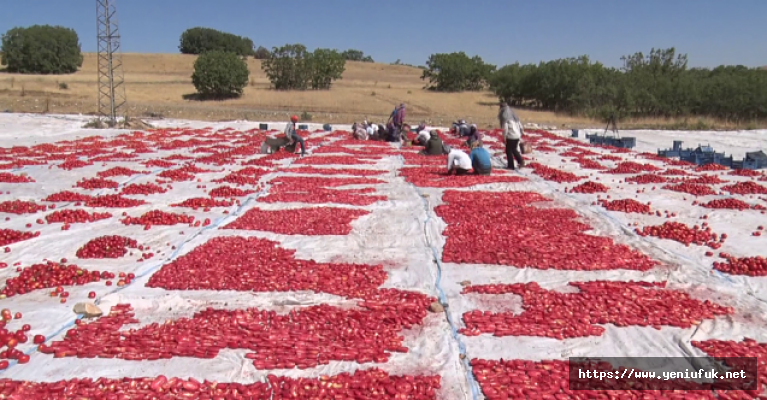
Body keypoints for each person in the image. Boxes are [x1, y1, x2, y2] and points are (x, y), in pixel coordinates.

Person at [498, 101, 525, 170]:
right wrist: (521, 133)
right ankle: (521, 161)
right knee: (514, 149)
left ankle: (511, 165)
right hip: (517, 135)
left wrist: (504, 137)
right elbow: (520, 125)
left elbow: (505, 129)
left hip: (511, 136)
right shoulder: (513, 115)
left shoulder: (505, 116)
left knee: (508, 150)